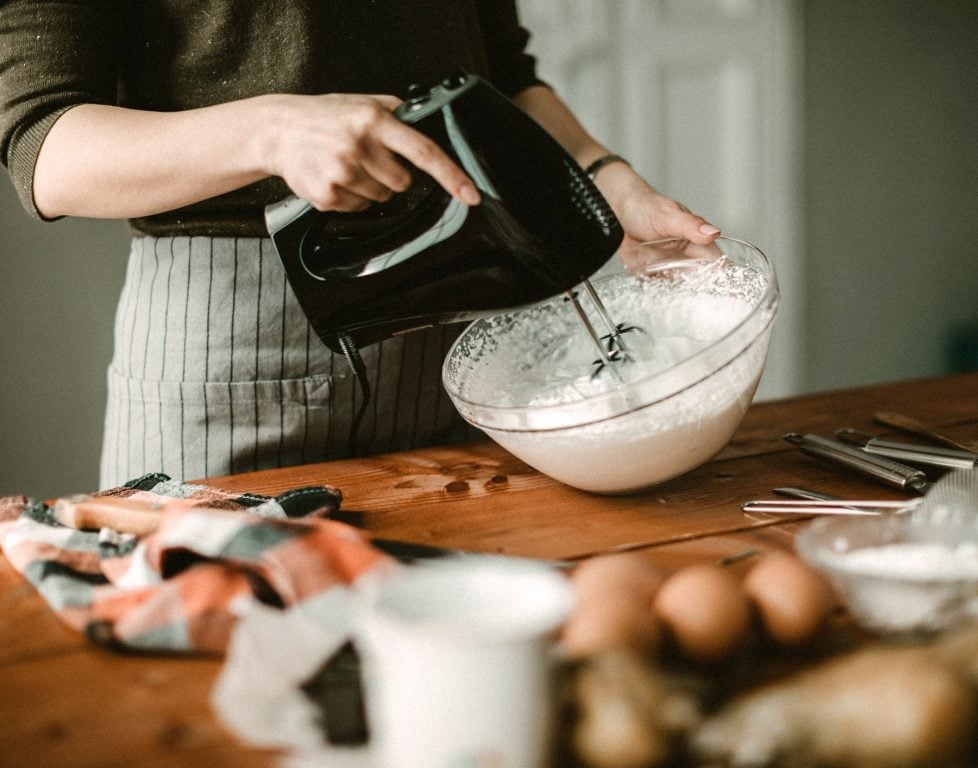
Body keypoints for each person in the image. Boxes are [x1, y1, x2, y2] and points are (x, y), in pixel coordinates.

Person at [0, 1, 720, 488]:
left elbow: (505, 75)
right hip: (227, 342)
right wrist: (274, 132)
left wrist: (604, 179)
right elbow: (45, 145)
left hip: (470, 317)